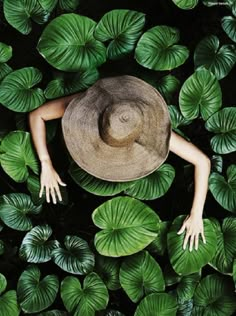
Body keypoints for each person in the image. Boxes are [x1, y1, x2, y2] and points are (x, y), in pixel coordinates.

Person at [29, 75, 210, 252]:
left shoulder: (146, 125)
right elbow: (37, 115)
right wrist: (46, 163)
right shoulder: (87, 106)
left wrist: (196, 214)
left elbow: (202, 161)